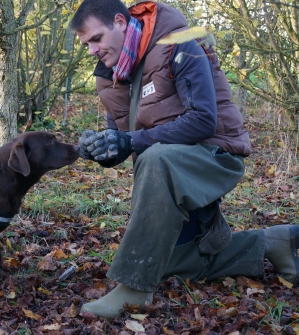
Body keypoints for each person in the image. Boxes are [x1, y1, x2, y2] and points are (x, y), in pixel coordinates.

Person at [70, 0, 299, 318]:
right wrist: (102, 148)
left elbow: (204, 119)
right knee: (174, 263)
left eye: (96, 38)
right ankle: (273, 242)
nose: (92, 50)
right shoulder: (111, 76)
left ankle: (134, 288)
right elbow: (126, 142)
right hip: (165, 172)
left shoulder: (180, 45)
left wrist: (131, 141)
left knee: (156, 158)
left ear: (120, 22)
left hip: (214, 156)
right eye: (86, 45)